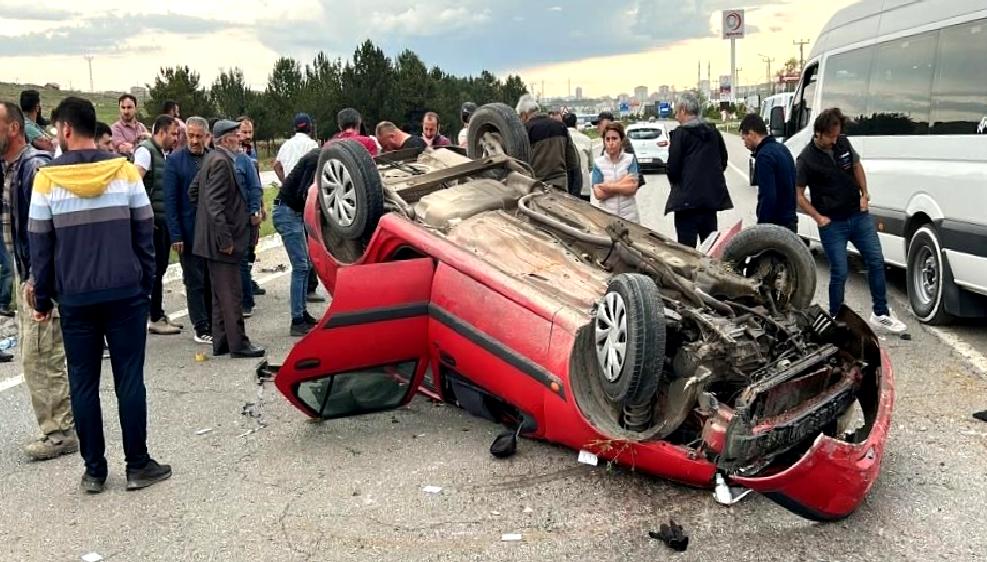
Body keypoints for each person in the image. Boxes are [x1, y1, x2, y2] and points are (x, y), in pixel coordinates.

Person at [29, 96, 170, 493]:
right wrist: (145, 283)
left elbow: (40, 245)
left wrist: (42, 299)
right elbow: (145, 231)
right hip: (125, 292)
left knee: (83, 382)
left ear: (66, 130)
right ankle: (138, 465)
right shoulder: (124, 172)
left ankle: (94, 471)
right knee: (129, 379)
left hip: (75, 298)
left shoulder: (46, 180)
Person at [0, 101, 77, 460]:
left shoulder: (33, 168)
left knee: (42, 355)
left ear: (13, 128)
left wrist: (37, 282)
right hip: (25, 272)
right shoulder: (11, 168)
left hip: (38, 277)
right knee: (35, 356)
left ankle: (60, 431)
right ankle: (60, 424)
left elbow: (48, 233)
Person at [795, 108, 907, 333]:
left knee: (876, 261)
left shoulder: (843, 144)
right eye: (831, 137)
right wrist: (817, 217)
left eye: (837, 135)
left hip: (858, 216)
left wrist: (865, 194)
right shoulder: (806, 159)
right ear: (819, 133)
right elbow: (797, 194)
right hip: (832, 224)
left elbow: (857, 166)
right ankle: (836, 316)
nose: (834, 140)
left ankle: (881, 313)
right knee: (840, 271)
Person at [190, 120, 265, 359]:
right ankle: (239, 344)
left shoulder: (212, 159)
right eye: (235, 135)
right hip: (223, 243)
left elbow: (195, 192)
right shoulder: (222, 162)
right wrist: (224, 238)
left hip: (211, 240)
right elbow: (213, 205)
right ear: (225, 139)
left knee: (219, 295)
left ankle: (222, 341)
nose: (239, 139)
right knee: (231, 294)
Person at [164, 116, 213, 344]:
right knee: (195, 281)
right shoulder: (175, 161)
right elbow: (170, 201)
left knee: (211, 279)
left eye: (198, 136)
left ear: (206, 137)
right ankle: (200, 325)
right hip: (188, 231)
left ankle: (213, 321)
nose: (194, 140)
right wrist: (175, 234)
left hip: (211, 232)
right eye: (190, 136)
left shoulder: (213, 158)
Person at [134, 114, 182, 336]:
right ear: (161, 132)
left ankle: (157, 312)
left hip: (161, 221)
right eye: (173, 133)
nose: (176, 138)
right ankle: (153, 317)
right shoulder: (145, 152)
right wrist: (145, 215)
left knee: (159, 270)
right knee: (153, 271)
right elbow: (135, 182)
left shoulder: (162, 153)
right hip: (152, 223)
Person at [665, 92, 733, 248]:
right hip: (709, 202)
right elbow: (723, 161)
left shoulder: (680, 135)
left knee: (687, 252)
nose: (676, 116)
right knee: (710, 249)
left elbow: (673, 169)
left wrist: (682, 184)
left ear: (683, 110)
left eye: (676, 112)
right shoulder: (713, 133)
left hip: (686, 205)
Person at [272, 148, 320, 336]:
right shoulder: (315, 160)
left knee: (306, 265)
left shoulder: (317, 157)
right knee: (300, 266)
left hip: (291, 212)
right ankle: (297, 320)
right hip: (287, 213)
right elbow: (304, 193)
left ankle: (302, 312)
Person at [740, 113, 797, 231]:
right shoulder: (783, 149)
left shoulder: (764, 156)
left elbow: (768, 195)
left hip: (776, 225)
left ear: (751, 134)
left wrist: (762, 226)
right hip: (790, 220)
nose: (744, 144)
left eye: (744, 138)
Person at [516, 95, 578, 192]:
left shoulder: (524, 131)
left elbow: (519, 164)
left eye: (520, 117)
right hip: (560, 186)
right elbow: (573, 162)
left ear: (524, 115)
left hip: (536, 188)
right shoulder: (561, 126)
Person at [238, 117, 266, 299]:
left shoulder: (252, 151)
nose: (247, 136)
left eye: (250, 132)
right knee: (243, 248)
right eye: (244, 132)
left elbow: (256, 181)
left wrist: (261, 205)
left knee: (252, 246)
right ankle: (243, 283)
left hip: (253, 204)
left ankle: (247, 279)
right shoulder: (235, 153)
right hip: (240, 208)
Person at [234, 144, 263, 317]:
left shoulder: (243, 159)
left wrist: (255, 210)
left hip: (243, 216)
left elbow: (255, 187)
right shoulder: (215, 158)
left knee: (243, 259)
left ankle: (246, 302)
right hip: (226, 218)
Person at [591, 122, 641, 222]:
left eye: (614, 138)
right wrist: (622, 183)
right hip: (607, 217)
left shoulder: (630, 160)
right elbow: (598, 194)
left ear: (621, 140)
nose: (611, 142)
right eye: (607, 139)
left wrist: (608, 187)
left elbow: (632, 188)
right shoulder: (598, 163)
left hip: (629, 217)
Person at [274, 113, 319, 183]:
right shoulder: (312, 145)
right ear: (309, 127)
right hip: (305, 188)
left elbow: (276, 165)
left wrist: (285, 182)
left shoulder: (285, 145)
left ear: (295, 128)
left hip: (290, 188)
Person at [564, 112, 592, 201]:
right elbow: (591, 166)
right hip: (584, 187)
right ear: (576, 124)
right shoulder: (586, 139)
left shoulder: (561, 140)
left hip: (567, 187)